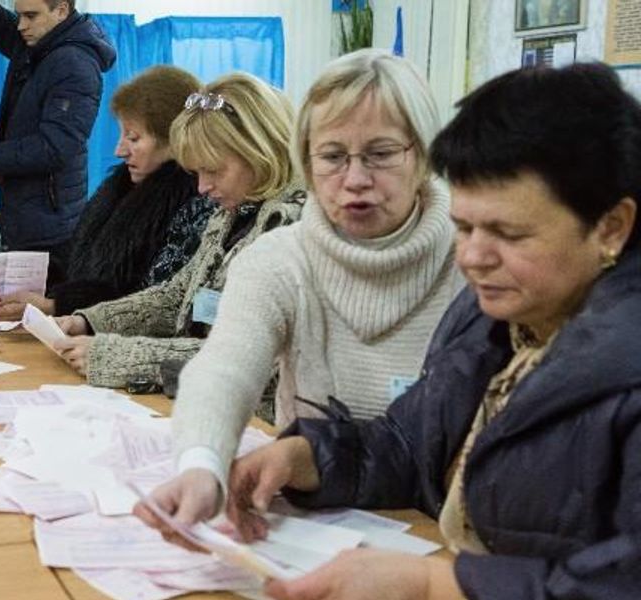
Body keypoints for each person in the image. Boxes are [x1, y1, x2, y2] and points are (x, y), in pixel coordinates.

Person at [191, 62, 641, 600]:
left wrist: (434, 584)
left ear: (611, 227)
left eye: (508, 233)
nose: (473, 257)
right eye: (466, 226)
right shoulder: (499, 319)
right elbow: (412, 443)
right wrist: (307, 458)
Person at [133, 49, 464, 526]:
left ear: (425, 154)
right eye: (332, 156)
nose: (355, 180)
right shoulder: (277, 259)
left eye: (382, 153)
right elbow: (224, 369)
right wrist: (201, 464)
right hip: (318, 516)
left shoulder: (476, 257)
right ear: (306, 162)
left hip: (441, 523)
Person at [52, 72, 305, 390]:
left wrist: (116, 355)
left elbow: (258, 361)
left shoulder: (293, 230)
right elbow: (177, 296)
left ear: (259, 152)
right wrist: (88, 321)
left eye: (212, 170)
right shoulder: (231, 213)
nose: (202, 187)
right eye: (196, 172)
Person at [0, 65, 212, 321]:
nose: (119, 150)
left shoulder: (196, 205)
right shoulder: (120, 189)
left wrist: (56, 306)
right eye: (121, 135)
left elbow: (152, 301)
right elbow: (75, 266)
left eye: (133, 138)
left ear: (175, 139)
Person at [0, 0, 116, 272]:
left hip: (50, 229)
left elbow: (55, 147)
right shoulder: (41, 44)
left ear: (62, 10)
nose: (21, 26)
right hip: (32, 216)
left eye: (30, 16)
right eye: (19, 15)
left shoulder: (75, 66)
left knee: (36, 309)